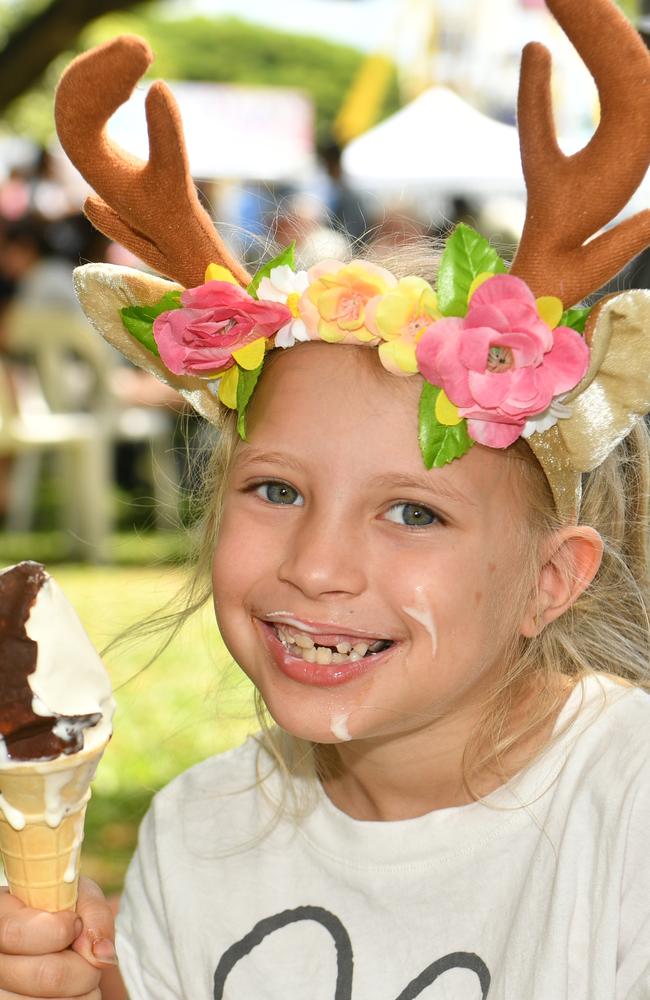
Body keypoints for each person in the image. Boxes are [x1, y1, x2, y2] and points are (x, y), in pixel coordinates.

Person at [2, 1, 650, 997]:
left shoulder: (624, 804)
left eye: (412, 511)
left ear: (548, 580)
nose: (313, 566)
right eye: (274, 489)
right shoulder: (197, 835)